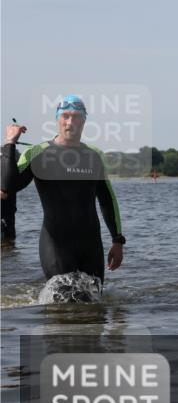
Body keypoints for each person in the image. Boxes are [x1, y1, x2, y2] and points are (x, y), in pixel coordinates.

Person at [0, 96, 125, 282]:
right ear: (57, 119)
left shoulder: (93, 156)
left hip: (91, 244)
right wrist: (9, 143)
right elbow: (7, 187)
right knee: (63, 300)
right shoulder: (38, 153)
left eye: (76, 116)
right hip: (55, 243)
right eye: (65, 116)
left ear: (84, 121)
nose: (70, 121)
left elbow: (108, 199)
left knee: (94, 303)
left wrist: (117, 241)